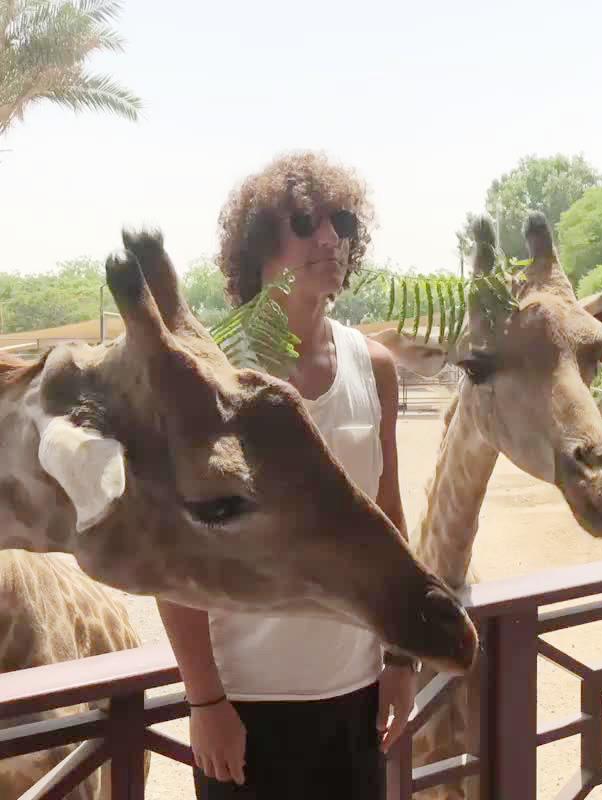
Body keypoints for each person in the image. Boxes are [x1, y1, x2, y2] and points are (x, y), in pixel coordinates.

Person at [157, 150, 419, 800]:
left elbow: (387, 519)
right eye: (305, 221)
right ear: (258, 244)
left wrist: (401, 657)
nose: (330, 237)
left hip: (358, 698)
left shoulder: (374, 368)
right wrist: (204, 702)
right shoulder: (207, 375)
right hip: (244, 708)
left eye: (341, 221)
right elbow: (174, 556)